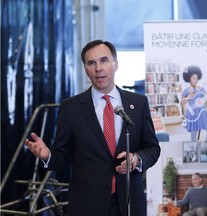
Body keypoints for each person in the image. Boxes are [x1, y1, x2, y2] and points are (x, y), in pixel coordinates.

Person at [25, 40, 161, 216]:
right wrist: (47, 155)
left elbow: (152, 148)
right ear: (85, 69)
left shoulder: (138, 103)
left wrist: (136, 159)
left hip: (129, 203)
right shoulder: (71, 108)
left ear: (115, 64)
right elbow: (62, 157)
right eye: (91, 63)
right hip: (87, 205)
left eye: (104, 61)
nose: (98, 68)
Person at [180, 66, 207, 142]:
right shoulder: (186, 90)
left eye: (197, 78)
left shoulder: (201, 89)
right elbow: (182, 103)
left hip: (202, 112)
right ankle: (195, 149)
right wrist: (188, 97)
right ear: (189, 79)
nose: (195, 80)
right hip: (193, 114)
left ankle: (206, 146)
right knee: (193, 136)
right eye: (193, 78)